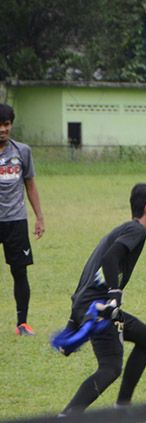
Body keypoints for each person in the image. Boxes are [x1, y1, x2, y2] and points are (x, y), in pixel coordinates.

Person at [58, 183, 146, 416]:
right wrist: (114, 295)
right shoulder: (135, 231)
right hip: (98, 308)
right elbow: (110, 259)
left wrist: (73, 319)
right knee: (110, 368)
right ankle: (68, 415)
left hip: (87, 304)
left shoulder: (123, 230)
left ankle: (122, 407)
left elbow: (89, 272)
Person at [0, 103, 44, 336]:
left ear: (11, 125)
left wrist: (39, 217)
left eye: (6, 124)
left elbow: (30, 185)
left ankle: (22, 323)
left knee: (19, 272)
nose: (2, 129)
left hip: (16, 221)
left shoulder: (22, 151)